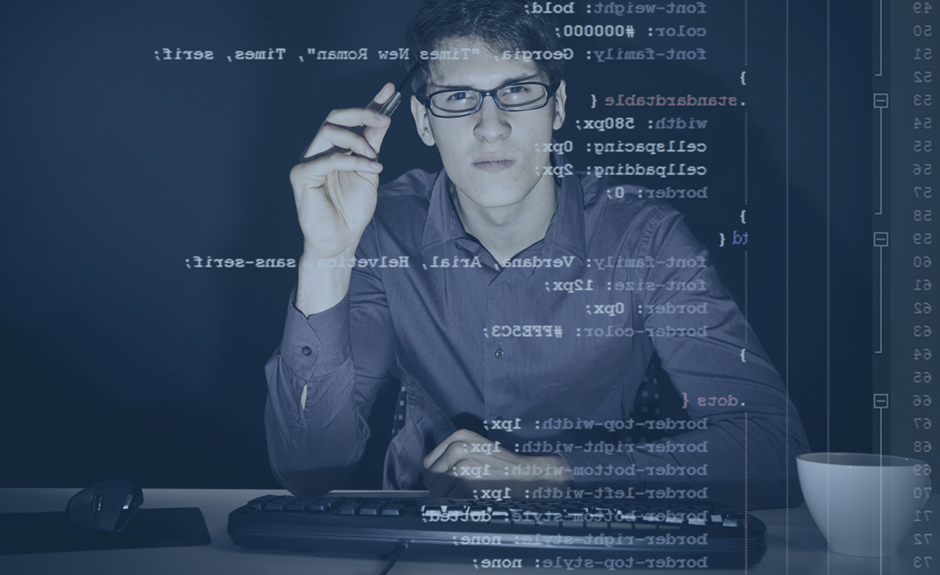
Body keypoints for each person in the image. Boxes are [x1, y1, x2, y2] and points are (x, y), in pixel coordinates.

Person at [265, 0, 809, 508]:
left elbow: (773, 449)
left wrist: (548, 475)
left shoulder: (645, 238)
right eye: (458, 98)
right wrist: (326, 254)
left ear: (558, 107)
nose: (491, 127)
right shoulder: (382, 229)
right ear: (423, 121)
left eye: (518, 92)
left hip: (591, 537)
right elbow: (310, 472)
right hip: (422, 533)